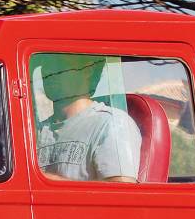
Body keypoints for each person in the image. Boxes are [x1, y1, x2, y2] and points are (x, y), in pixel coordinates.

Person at [34, 55, 141, 183]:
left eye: (59, 63)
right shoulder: (36, 131)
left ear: (87, 70)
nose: (48, 71)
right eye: (45, 65)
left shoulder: (112, 123)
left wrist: (44, 181)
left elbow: (122, 192)